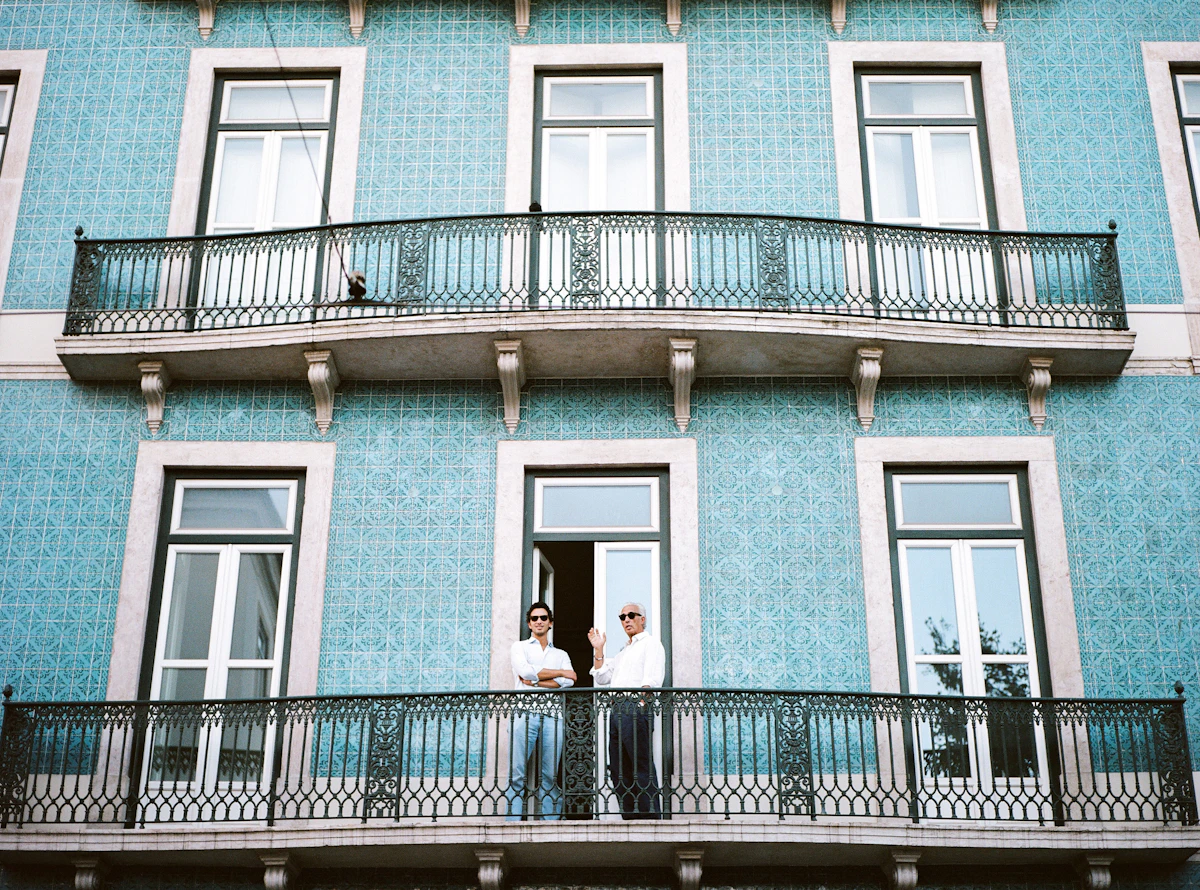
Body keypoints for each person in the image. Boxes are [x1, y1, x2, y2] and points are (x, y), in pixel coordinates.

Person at [588, 602, 666, 820]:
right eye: (622, 617)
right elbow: (602, 677)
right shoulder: (624, 652)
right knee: (618, 768)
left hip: (635, 707)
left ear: (643, 619)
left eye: (631, 615)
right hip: (617, 710)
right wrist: (599, 649)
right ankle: (630, 816)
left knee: (640, 763)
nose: (626, 620)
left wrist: (641, 704)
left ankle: (650, 818)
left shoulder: (651, 644)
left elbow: (651, 679)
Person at [507, 601, 576, 820]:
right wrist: (559, 674)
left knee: (549, 773)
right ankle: (513, 821)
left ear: (550, 623)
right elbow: (525, 671)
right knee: (517, 772)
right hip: (523, 713)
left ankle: (551, 821)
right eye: (535, 618)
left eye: (543, 618)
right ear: (529, 623)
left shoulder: (561, 653)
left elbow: (570, 681)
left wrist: (536, 682)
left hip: (552, 715)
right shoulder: (519, 647)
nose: (539, 622)